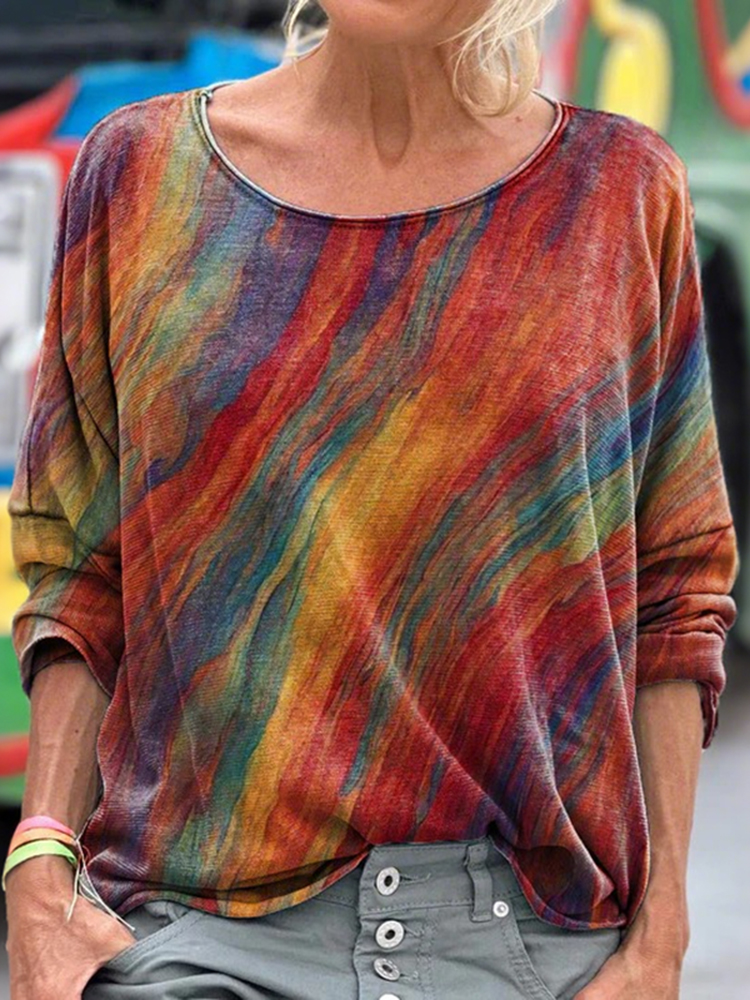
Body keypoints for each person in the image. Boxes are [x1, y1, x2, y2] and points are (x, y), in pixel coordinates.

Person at [2, 0, 740, 998]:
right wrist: (39, 864)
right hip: (193, 935)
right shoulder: (138, 171)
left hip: (531, 949)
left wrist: (659, 944)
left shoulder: (620, 193)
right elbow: (79, 558)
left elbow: (676, 589)